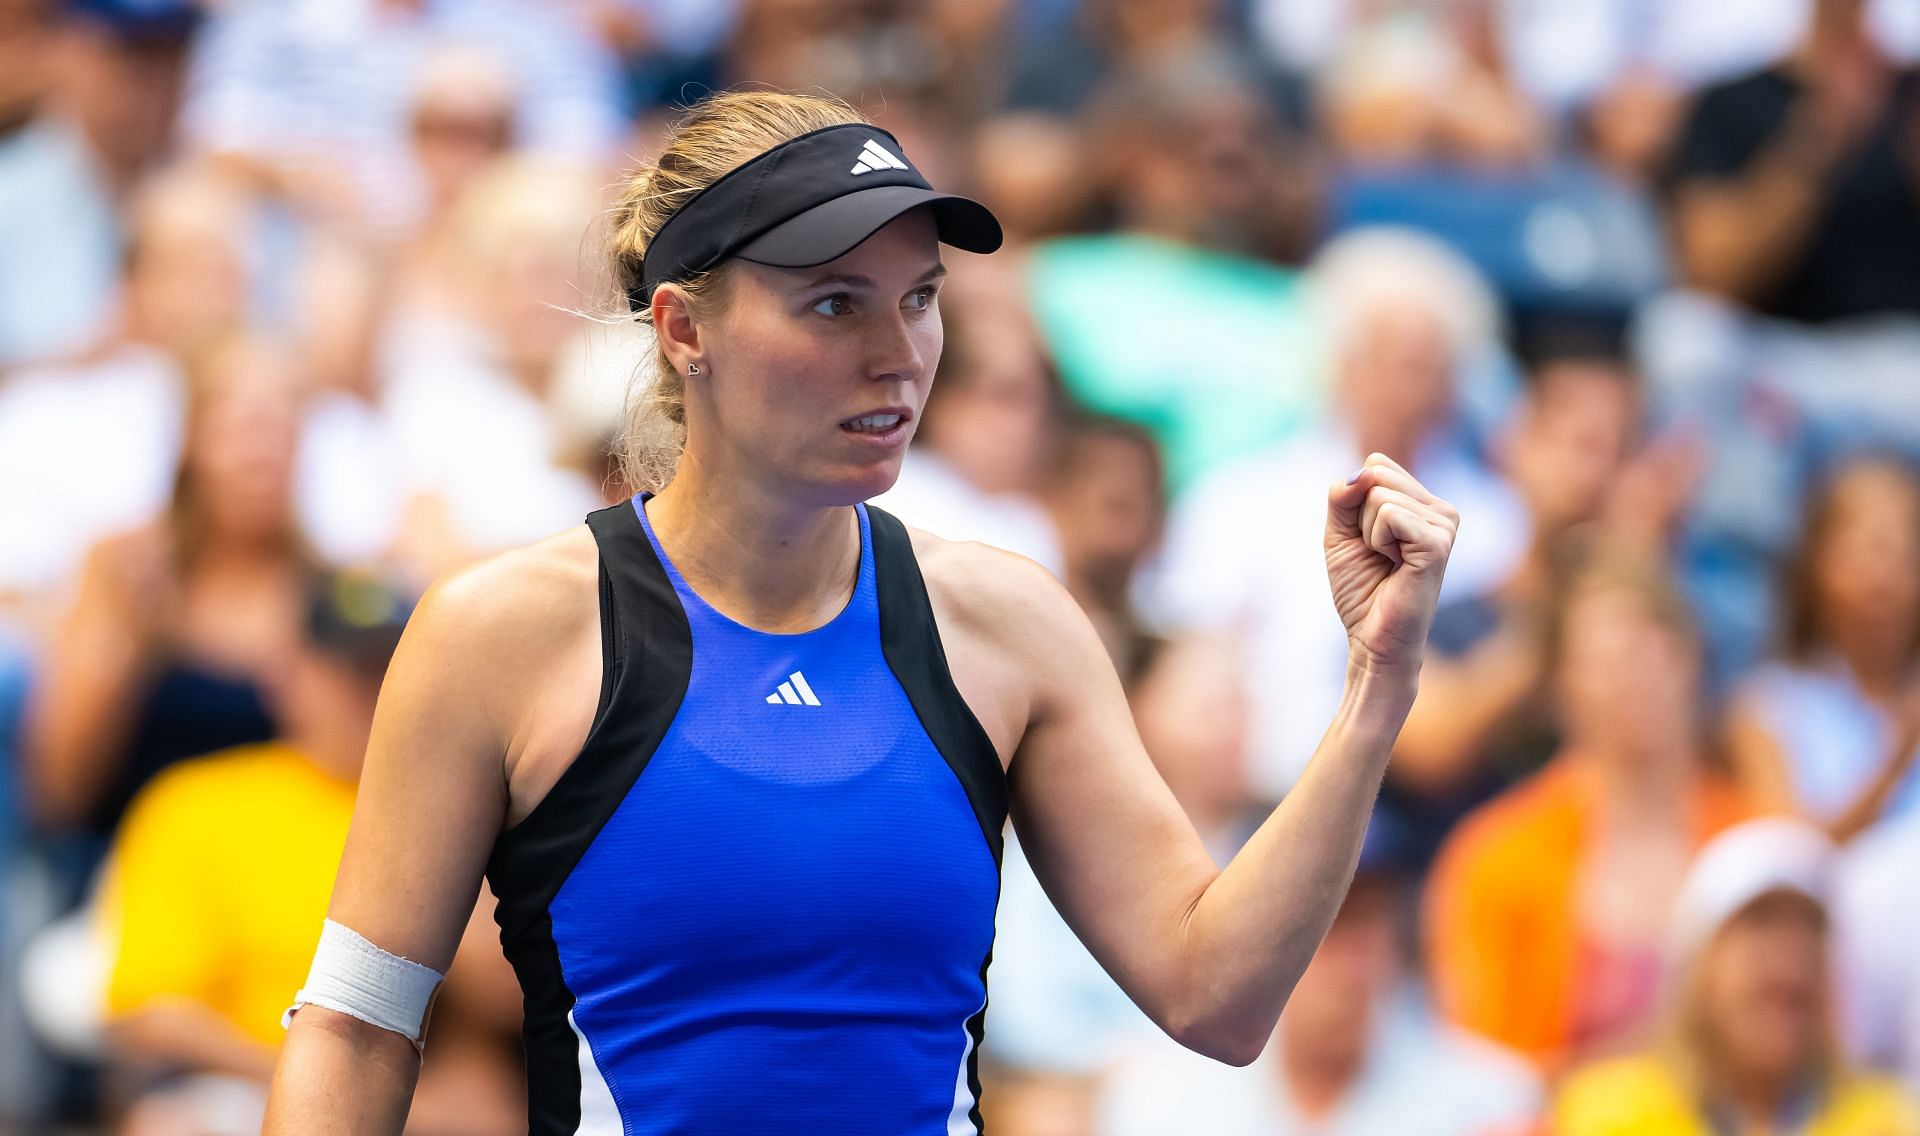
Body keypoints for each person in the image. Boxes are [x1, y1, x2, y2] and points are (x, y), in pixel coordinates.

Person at [263, 89, 1460, 1134]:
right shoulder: (499, 632)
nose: (900, 354)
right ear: (686, 330)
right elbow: (358, 1027)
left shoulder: (1008, 624)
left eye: (922, 299)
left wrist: (1375, 688)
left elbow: (1219, 993)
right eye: (837, 305)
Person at [99, 572, 522, 1136]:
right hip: (243, 1086)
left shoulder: (461, 802)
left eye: (388, 668)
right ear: (289, 675)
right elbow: (149, 1013)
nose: (372, 691)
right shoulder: (198, 801)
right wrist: (321, 1082)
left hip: (421, 1080)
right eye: (350, 669)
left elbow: (505, 998)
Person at [1426, 550, 1752, 1071]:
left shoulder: (1753, 838)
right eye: (1608, 657)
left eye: (1655, 647)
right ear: (1559, 686)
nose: (1637, 675)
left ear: (1692, 661)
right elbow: (1486, 1081)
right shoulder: (1496, 857)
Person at [23, 336, 312, 843]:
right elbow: (58, 789)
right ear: (191, 437)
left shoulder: (328, 590)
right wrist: (129, 641)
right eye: (243, 426)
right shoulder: (125, 567)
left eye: (283, 425)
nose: (263, 451)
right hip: (130, 865)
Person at [1554, 817, 1920, 1136]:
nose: (1789, 966)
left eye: (1809, 940)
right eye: (1760, 934)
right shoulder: (1605, 1117)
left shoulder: (1890, 1121)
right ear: (1701, 969)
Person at [1725, 456, 1920, 843]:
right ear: (1816, 564)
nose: (1883, 576)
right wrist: (1897, 758)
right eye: (1866, 547)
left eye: (1904, 550)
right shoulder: (1768, 707)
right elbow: (1789, 861)